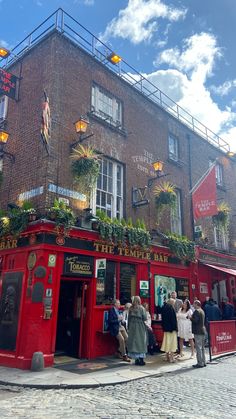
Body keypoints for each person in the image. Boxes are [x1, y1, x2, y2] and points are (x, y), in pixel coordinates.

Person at [127, 296, 147, 366]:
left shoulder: (131, 308)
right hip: (140, 326)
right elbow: (145, 318)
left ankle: (136, 359)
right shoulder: (142, 308)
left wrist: (128, 327)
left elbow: (128, 318)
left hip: (132, 326)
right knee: (140, 341)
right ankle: (141, 359)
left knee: (134, 342)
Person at [190, 300, 206, 368]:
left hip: (197, 331)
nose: (193, 305)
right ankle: (203, 362)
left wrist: (190, 318)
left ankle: (200, 363)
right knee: (202, 347)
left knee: (198, 347)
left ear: (196, 304)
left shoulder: (196, 311)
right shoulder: (202, 311)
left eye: (193, 304)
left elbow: (195, 321)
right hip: (202, 330)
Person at [160, 298, 178, 363]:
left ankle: (167, 356)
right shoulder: (171, 309)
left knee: (166, 343)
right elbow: (173, 320)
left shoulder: (164, 308)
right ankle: (171, 358)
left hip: (166, 329)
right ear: (172, 303)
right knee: (172, 343)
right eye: (174, 303)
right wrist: (176, 328)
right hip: (172, 329)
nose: (174, 304)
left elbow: (162, 319)